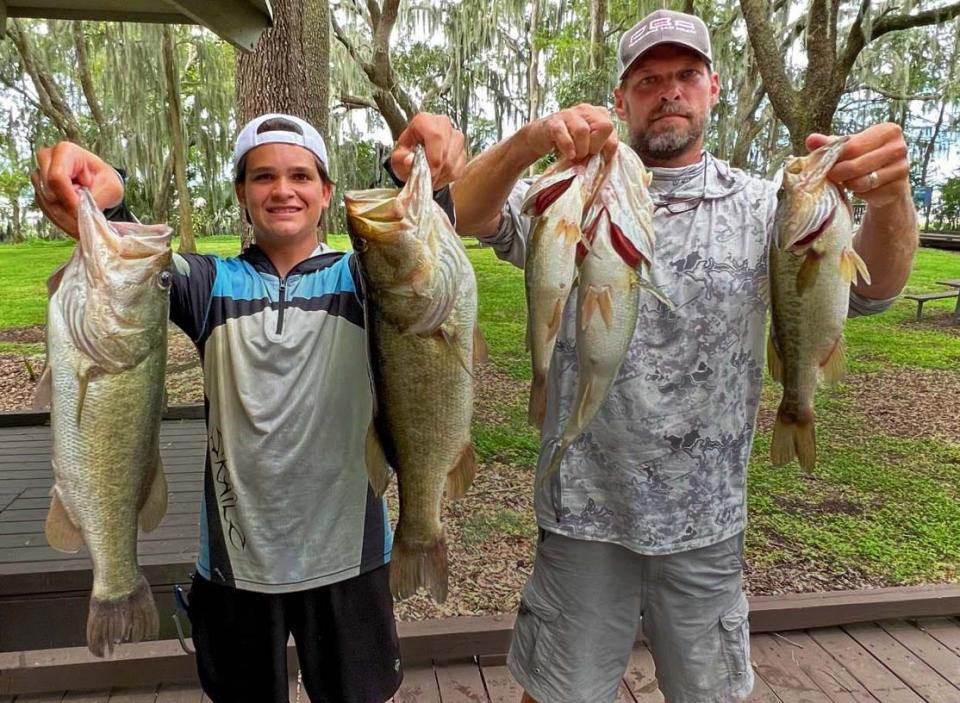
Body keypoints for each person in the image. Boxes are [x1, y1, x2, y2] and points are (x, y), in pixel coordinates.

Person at [452, 9, 918, 703]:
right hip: (584, 511)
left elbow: (876, 290)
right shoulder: (570, 192)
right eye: (648, 79)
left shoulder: (769, 205)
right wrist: (527, 142)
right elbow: (460, 214)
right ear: (621, 99)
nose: (668, 90)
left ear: (713, 88)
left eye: (685, 75)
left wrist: (891, 198)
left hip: (705, 520)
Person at [32, 111, 466, 703]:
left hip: (350, 558)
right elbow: (133, 278)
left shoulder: (362, 278)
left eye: (300, 176)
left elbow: (414, 260)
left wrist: (420, 179)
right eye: (262, 177)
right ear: (241, 194)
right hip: (236, 566)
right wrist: (107, 200)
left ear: (326, 193)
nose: (282, 190)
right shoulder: (210, 283)